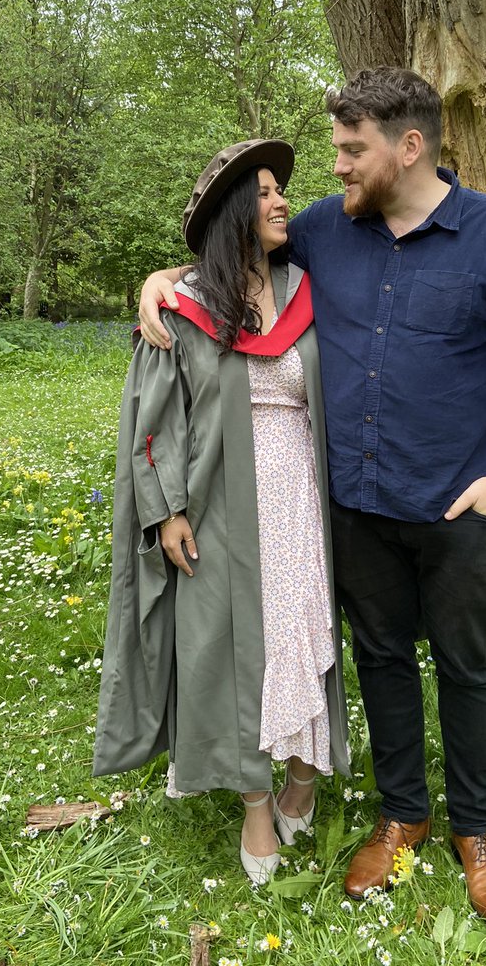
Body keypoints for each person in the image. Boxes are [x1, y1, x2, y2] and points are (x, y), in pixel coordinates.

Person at [138, 68, 486, 925]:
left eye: (350, 148)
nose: (336, 167)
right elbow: (229, 247)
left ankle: (477, 833)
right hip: (358, 505)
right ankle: (403, 813)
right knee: (379, 657)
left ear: (408, 147)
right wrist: (156, 279)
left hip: (460, 505)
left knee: (467, 665)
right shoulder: (325, 232)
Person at [93, 139, 349, 886]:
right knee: (241, 650)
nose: (280, 201)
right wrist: (167, 508)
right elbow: (153, 419)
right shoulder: (185, 308)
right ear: (236, 211)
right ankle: (257, 804)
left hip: (299, 499)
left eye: (280, 191)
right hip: (218, 504)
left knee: (304, 635)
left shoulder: (306, 284)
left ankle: (303, 774)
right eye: (264, 192)